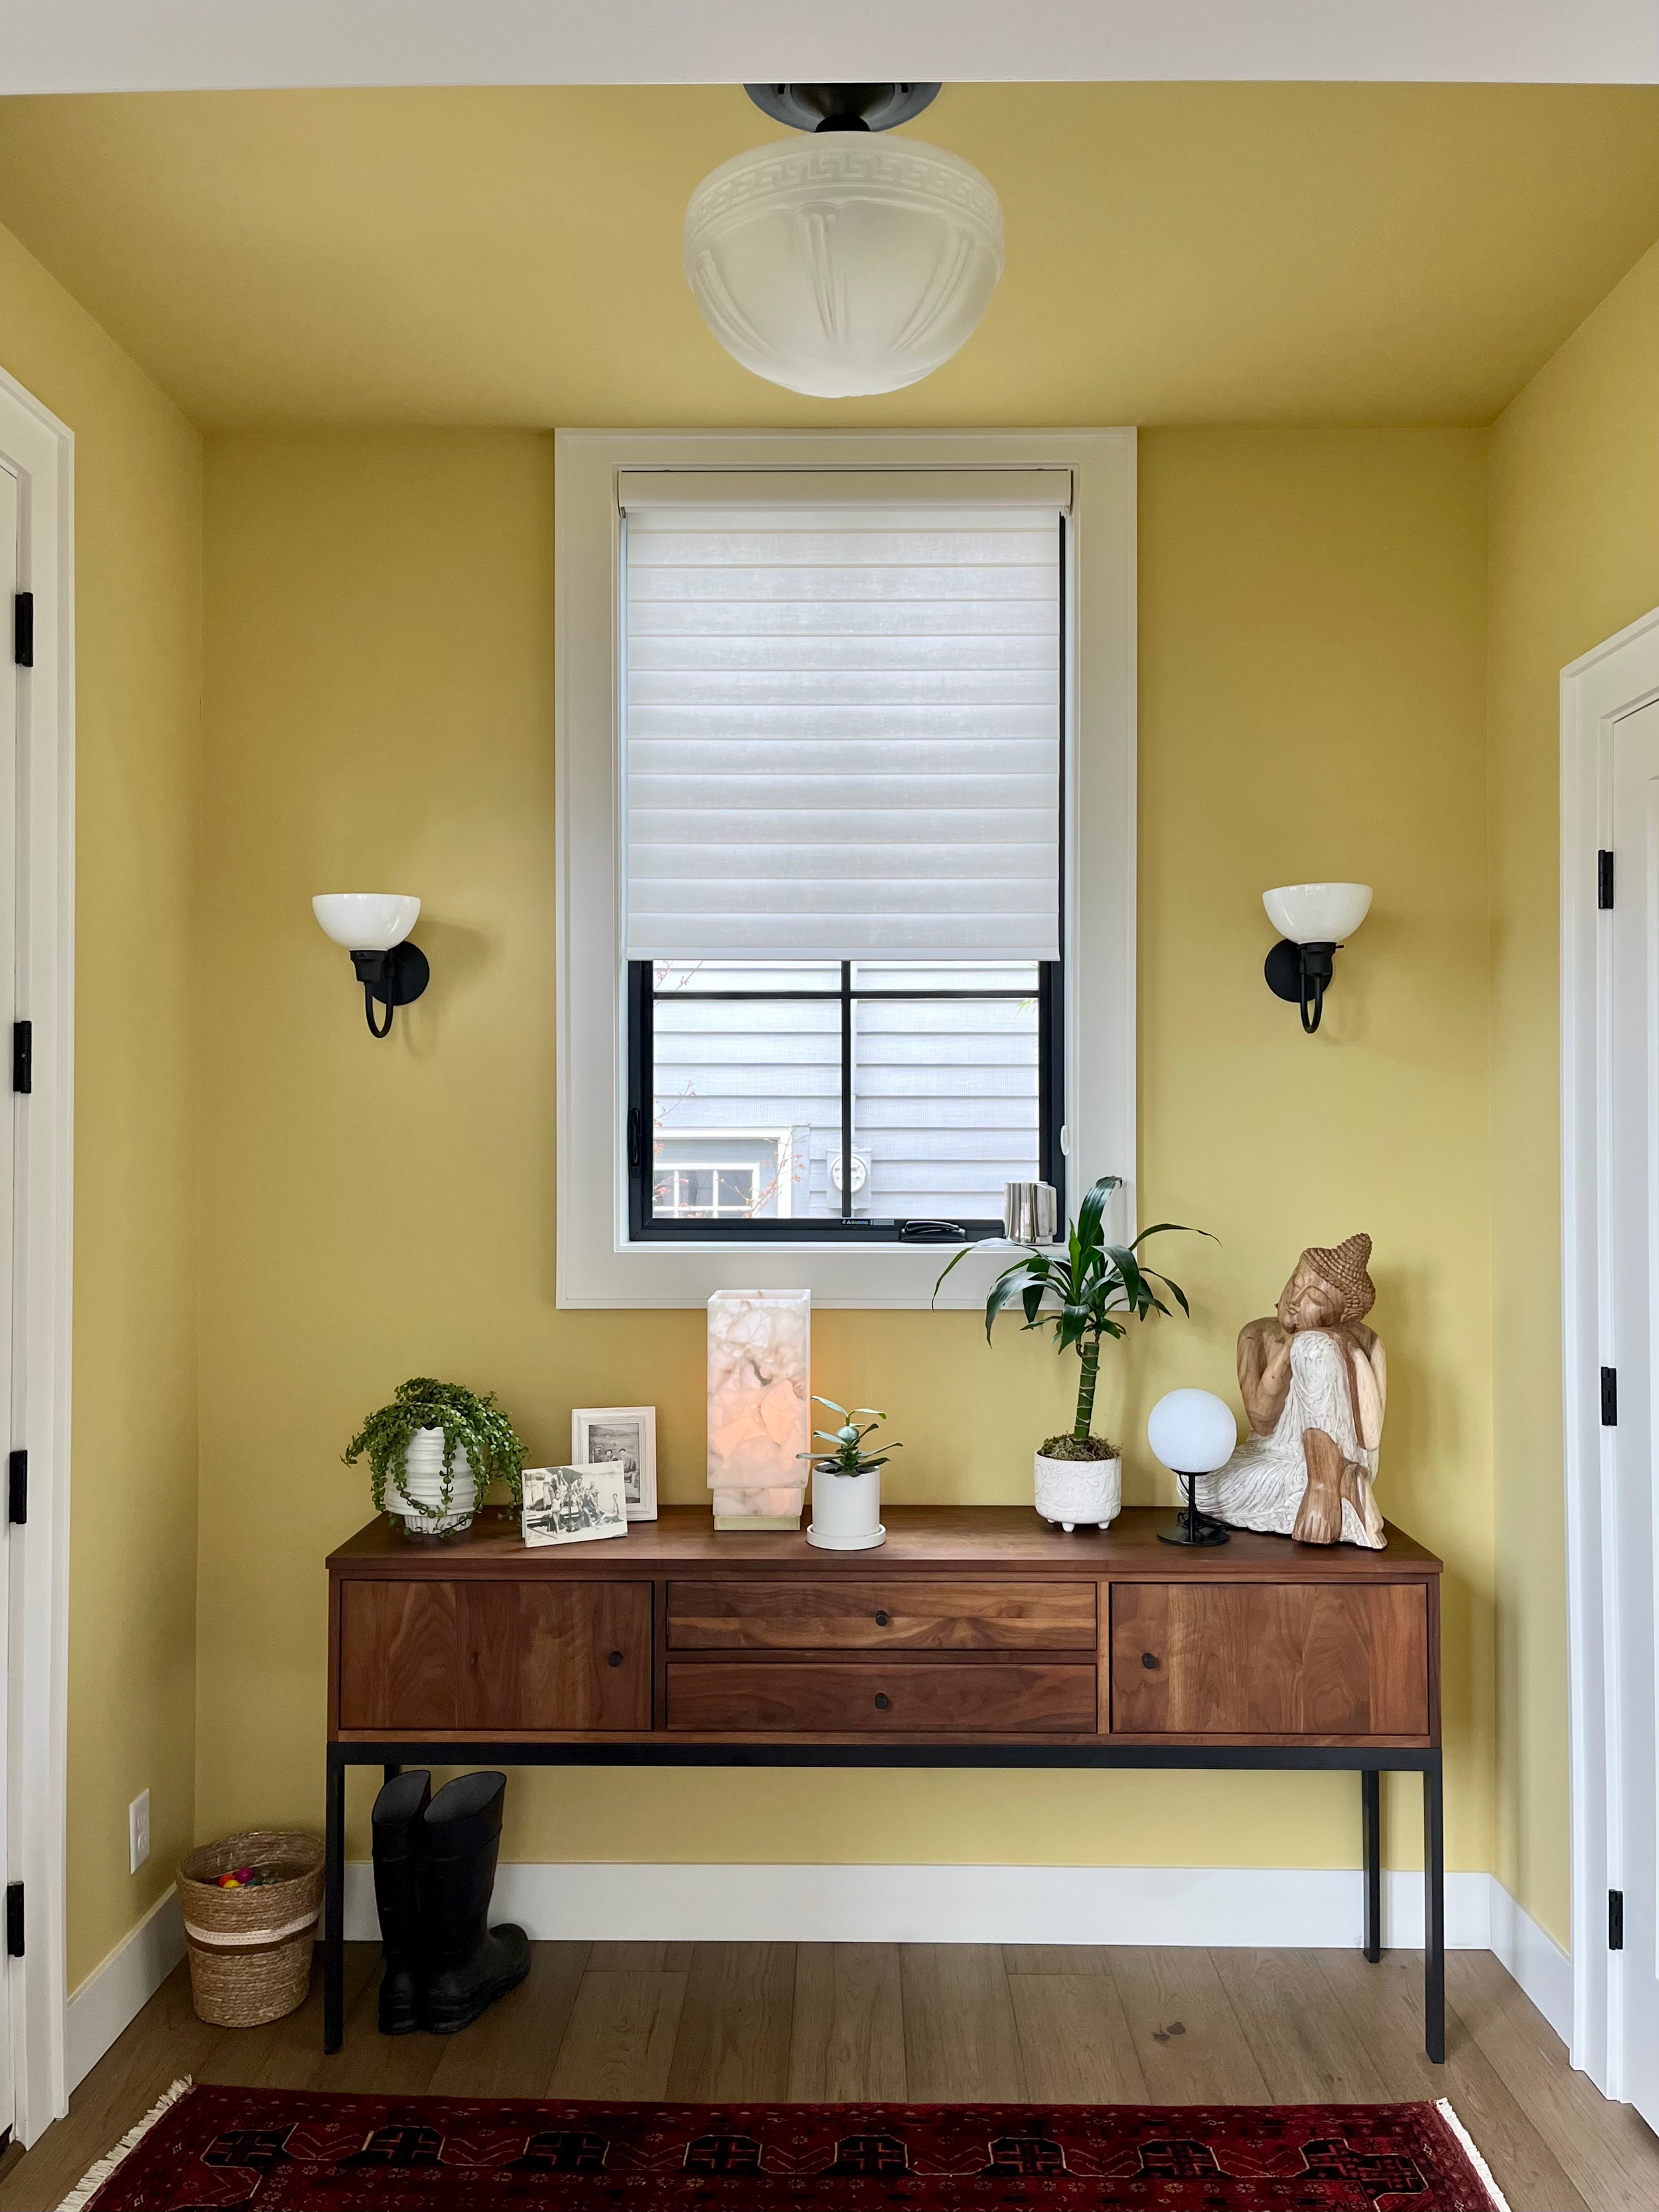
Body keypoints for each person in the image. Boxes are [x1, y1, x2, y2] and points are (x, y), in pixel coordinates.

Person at [1195, 1233, 1386, 1549]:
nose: (1296, 1301)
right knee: (1193, 1485)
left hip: (1340, 1459)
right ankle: (1346, 1490)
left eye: (1315, 1299)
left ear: (1342, 1315)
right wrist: (1288, 1350)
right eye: (1296, 1284)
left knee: (1315, 1347)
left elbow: (1370, 1435)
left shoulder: (1366, 1341)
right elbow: (1262, 1421)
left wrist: (1341, 1349)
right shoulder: (1256, 1334)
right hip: (1277, 1460)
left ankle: (1325, 1490)